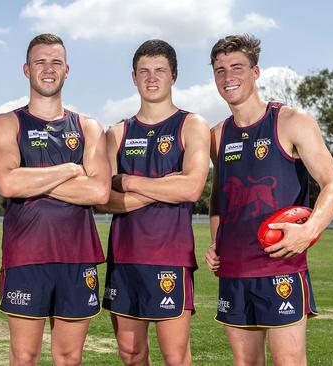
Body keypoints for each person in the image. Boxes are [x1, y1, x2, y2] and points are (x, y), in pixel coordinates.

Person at [204, 34, 333, 365]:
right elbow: (218, 199)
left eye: (237, 67)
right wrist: (215, 244)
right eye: (220, 69)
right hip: (234, 271)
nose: (228, 77)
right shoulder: (216, 135)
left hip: (281, 263)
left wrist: (308, 231)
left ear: (255, 73)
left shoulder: (292, 121)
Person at [0, 33, 110, 366]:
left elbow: (99, 192)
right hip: (26, 258)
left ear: (67, 70)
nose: (48, 68)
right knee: (24, 356)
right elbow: (8, 183)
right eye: (40, 61)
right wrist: (72, 170)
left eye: (56, 62)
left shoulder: (88, 127)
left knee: (69, 357)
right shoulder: (6, 123)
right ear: (26, 69)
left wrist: (33, 178)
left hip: (78, 257)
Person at [95, 40, 210, 365]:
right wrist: (164, 186)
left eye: (160, 70)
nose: (151, 77)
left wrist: (130, 183)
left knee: (175, 355)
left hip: (170, 257)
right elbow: (102, 199)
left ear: (173, 75)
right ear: (133, 77)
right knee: (131, 353)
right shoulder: (116, 133)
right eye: (144, 71)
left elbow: (191, 188)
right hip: (124, 257)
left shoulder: (192, 125)